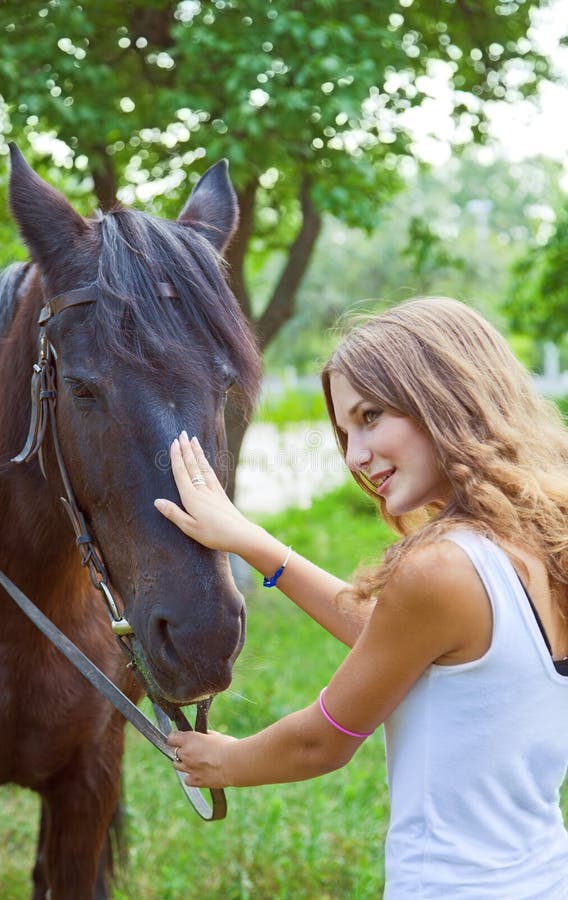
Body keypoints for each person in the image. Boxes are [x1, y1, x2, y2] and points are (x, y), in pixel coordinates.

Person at [154, 296, 568, 899]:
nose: (355, 456)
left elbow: (321, 742)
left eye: (371, 416)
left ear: (444, 393)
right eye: (346, 432)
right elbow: (399, 641)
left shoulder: (441, 568)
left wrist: (224, 761)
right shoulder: (538, 544)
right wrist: (250, 540)